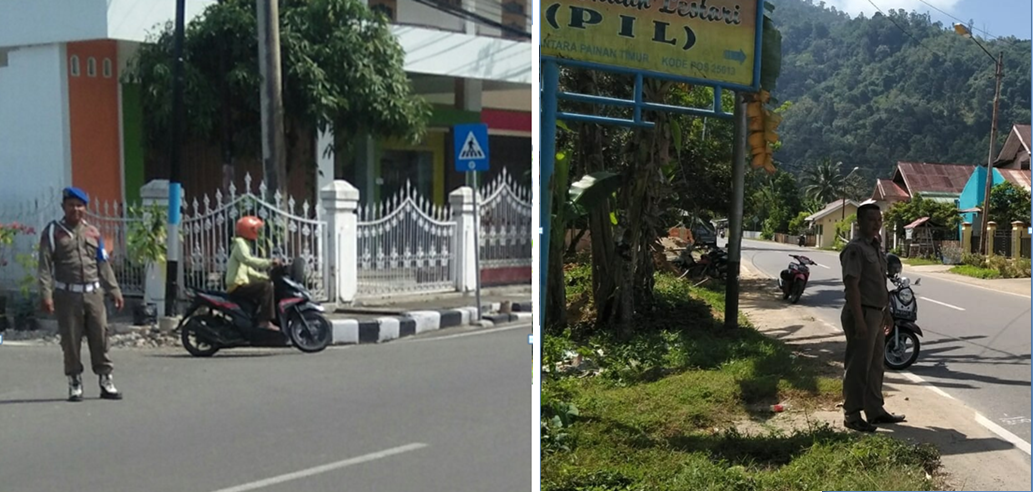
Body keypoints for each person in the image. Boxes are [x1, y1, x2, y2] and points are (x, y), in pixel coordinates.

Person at [39, 187, 125, 402]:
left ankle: (106, 380)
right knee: (70, 340)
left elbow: (103, 263)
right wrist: (46, 295)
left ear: (85, 208)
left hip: (93, 294)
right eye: (71, 205)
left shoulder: (93, 232)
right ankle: (74, 381)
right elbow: (44, 266)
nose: (75, 209)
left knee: (101, 337)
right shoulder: (53, 232)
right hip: (67, 296)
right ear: (63, 207)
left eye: (79, 205)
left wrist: (114, 290)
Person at [839, 203, 906, 432]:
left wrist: (886, 312)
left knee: (876, 365)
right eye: (871, 220)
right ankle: (852, 414)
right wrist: (859, 320)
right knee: (858, 366)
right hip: (862, 313)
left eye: (879, 219)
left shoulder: (877, 247)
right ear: (860, 222)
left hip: (876, 313)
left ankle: (875, 411)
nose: (876, 223)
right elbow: (852, 287)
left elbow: (880, 284)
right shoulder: (855, 249)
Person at [225, 216, 281, 331]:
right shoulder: (240, 243)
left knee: (266, 284)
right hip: (237, 285)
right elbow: (248, 260)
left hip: (239, 283)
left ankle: (257, 319)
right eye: (255, 230)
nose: (258, 233)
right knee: (266, 288)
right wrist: (269, 262)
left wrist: (264, 277)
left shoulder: (243, 244)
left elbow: (248, 270)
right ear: (248, 230)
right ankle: (264, 321)